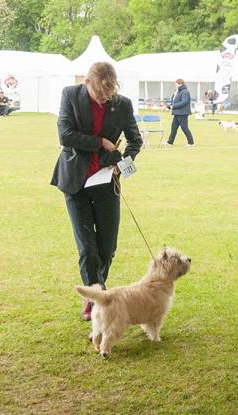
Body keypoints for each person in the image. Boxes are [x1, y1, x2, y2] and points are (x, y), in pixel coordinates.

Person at [51, 62, 143, 321]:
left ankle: (97, 292)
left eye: (109, 93)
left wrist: (122, 164)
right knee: (87, 248)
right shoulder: (70, 95)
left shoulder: (122, 104)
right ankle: (96, 298)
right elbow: (66, 135)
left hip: (107, 183)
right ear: (87, 83)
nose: (105, 98)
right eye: (100, 94)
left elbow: (135, 140)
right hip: (75, 183)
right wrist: (100, 142)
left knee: (107, 246)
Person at [166, 79, 194, 146]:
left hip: (183, 113)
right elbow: (174, 100)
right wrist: (170, 105)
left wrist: (173, 106)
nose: (175, 85)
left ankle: (191, 142)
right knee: (174, 127)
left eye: (175, 84)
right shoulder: (177, 91)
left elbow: (184, 101)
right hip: (177, 112)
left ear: (180, 84)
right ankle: (170, 142)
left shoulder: (185, 92)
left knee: (184, 127)